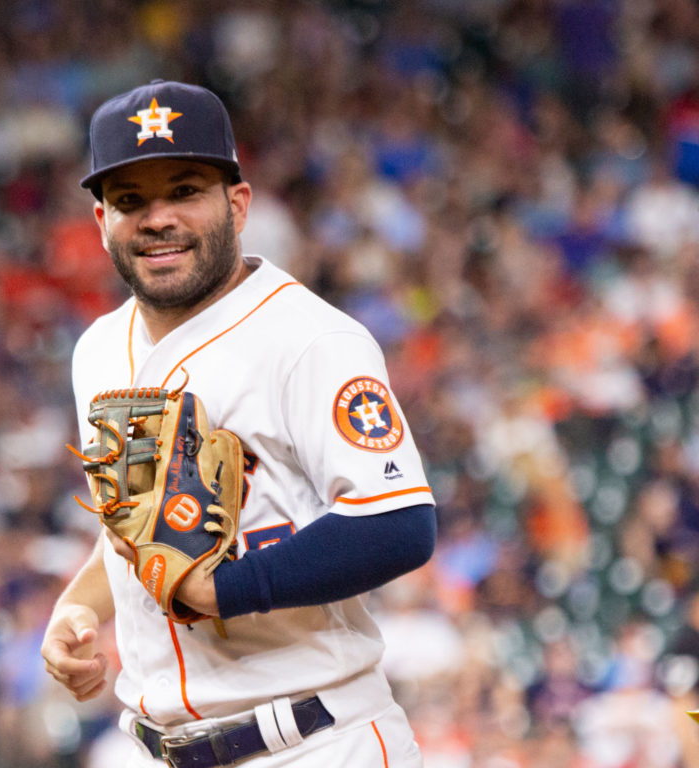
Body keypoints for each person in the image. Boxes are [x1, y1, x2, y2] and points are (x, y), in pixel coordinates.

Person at [41, 79, 437, 768]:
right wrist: (78, 606)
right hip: (153, 746)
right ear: (100, 220)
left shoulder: (311, 340)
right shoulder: (98, 350)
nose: (157, 218)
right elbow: (140, 531)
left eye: (185, 191)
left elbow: (399, 522)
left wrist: (224, 588)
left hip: (314, 742)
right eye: (131, 201)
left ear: (239, 204)